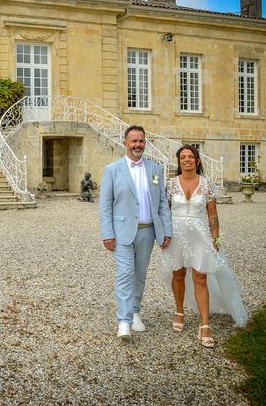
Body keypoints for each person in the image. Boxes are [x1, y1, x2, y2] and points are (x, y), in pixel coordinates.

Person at [161, 145, 248, 347]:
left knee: (200, 277)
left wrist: (216, 238)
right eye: (183, 157)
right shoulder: (170, 184)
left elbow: (213, 214)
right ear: (179, 161)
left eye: (191, 157)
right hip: (176, 236)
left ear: (197, 161)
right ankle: (179, 311)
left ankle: (205, 324)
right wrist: (163, 236)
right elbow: (165, 212)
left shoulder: (207, 184)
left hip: (201, 236)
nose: (187, 160)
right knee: (178, 273)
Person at [99, 125, 172, 340]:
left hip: (148, 232)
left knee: (140, 275)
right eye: (133, 141)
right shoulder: (112, 170)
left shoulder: (155, 170)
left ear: (145, 143)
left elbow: (161, 204)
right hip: (121, 233)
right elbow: (105, 205)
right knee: (124, 274)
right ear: (125, 143)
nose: (137, 145)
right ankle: (124, 321)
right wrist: (107, 233)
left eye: (141, 141)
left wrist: (165, 230)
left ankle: (135, 311)